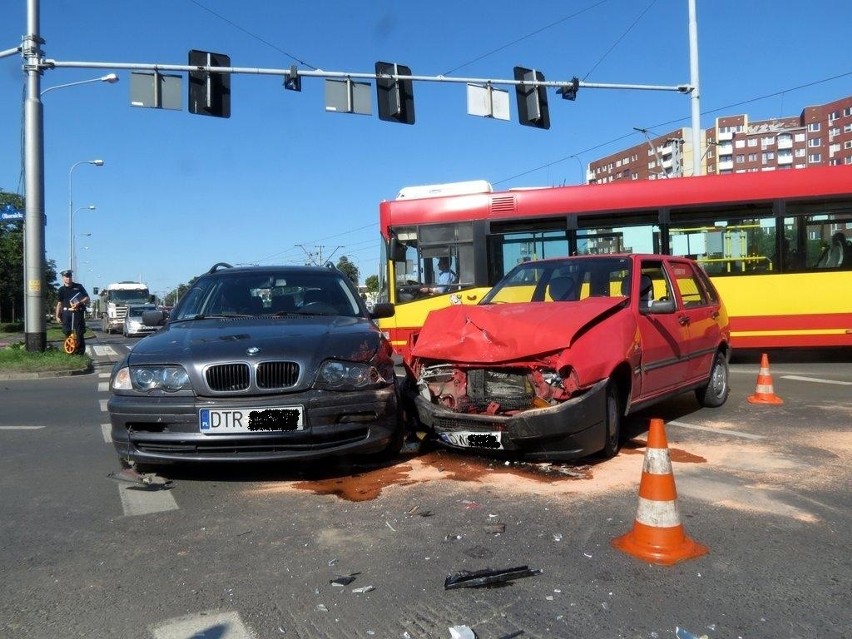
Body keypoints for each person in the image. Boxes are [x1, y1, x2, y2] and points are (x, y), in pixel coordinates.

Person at [55, 269, 90, 354]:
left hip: (77, 312)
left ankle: (80, 352)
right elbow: (59, 304)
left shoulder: (79, 287)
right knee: (67, 332)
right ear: (63, 278)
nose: (68, 278)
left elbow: (87, 298)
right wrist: (57, 316)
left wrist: (80, 302)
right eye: (66, 277)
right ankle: (69, 351)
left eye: (70, 276)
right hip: (66, 313)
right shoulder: (61, 290)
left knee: (79, 333)